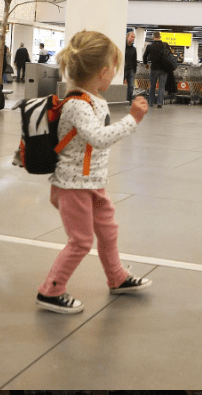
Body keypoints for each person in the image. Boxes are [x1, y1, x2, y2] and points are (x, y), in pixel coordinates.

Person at [36, 30, 151, 315]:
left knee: (108, 232)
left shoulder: (93, 99)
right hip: (72, 186)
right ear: (103, 72)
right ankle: (50, 290)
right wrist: (132, 120)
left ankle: (117, 277)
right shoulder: (77, 104)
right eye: (114, 67)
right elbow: (98, 138)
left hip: (91, 183)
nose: (115, 73)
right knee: (81, 241)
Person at [143, 31, 169, 108]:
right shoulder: (165, 45)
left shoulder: (150, 46)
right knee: (162, 87)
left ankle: (151, 102)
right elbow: (169, 56)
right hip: (164, 69)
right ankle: (159, 102)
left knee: (152, 86)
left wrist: (146, 64)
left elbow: (144, 56)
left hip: (154, 68)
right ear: (160, 37)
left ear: (153, 37)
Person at [124, 30, 137, 104]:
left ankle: (129, 100)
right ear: (127, 37)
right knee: (121, 85)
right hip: (123, 69)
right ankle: (122, 98)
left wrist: (134, 70)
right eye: (132, 37)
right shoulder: (123, 47)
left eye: (134, 37)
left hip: (131, 69)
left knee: (131, 86)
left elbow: (134, 60)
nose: (133, 38)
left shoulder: (133, 49)